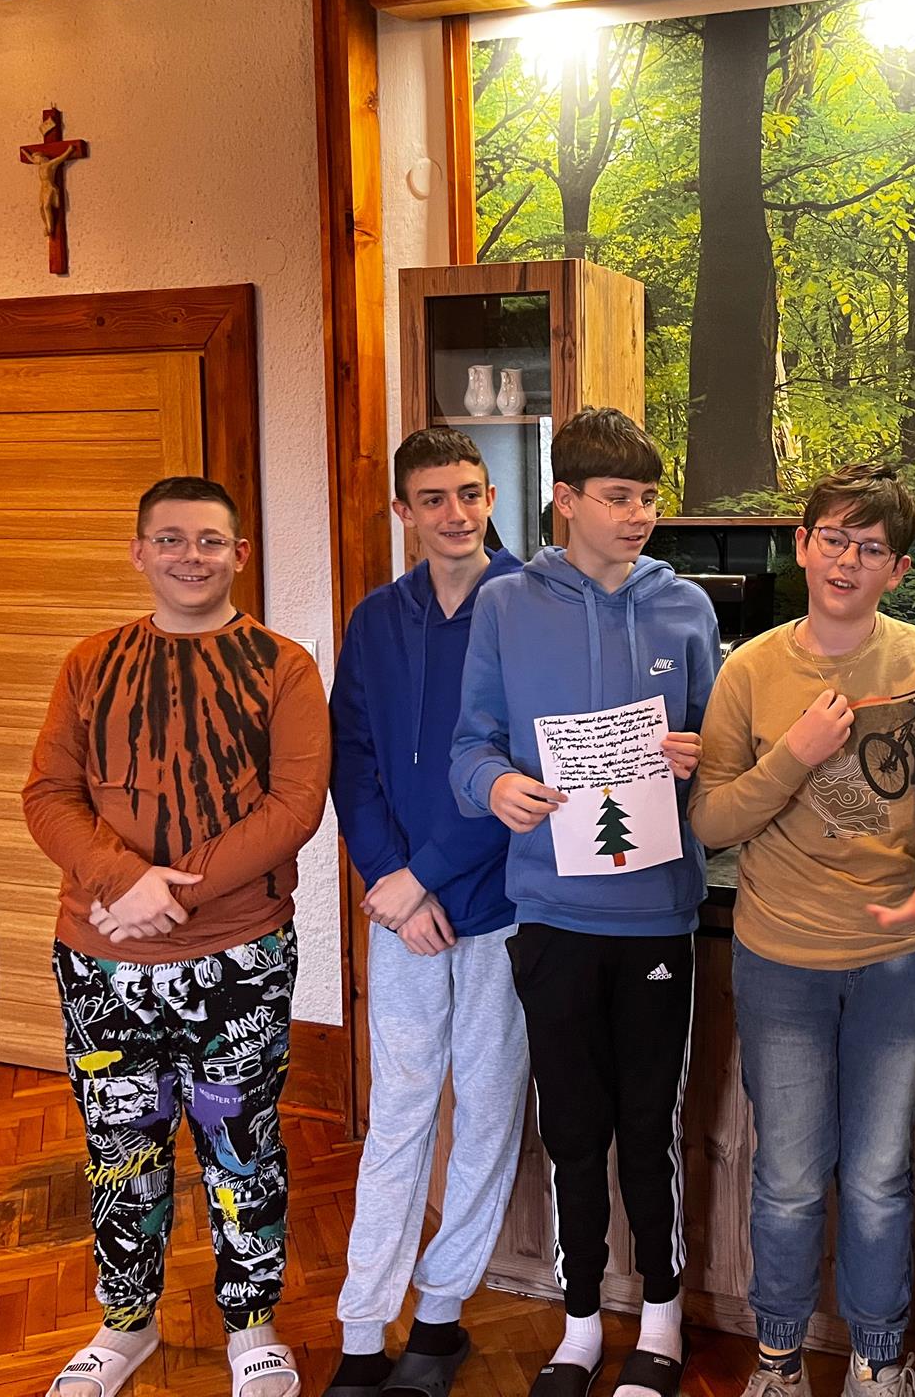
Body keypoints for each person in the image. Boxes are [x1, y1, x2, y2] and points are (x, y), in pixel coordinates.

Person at [24, 476, 330, 1397]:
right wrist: (122, 883)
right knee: (122, 1148)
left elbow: (295, 808)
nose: (189, 556)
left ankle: (252, 1329)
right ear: (139, 552)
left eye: (208, 541)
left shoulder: (283, 666)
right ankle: (126, 1324)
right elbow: (49, 795)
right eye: (169, 539)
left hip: (240, 956)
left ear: (240, 555)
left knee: (242, 1142)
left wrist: (168, 894)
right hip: (101, 957)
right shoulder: (90, 663)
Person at [689, 463, 915, 1397]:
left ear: (898, 569)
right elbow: (712, 820)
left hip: (901, 959)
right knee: (785, 1176)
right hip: (781, 958)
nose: (847, 561)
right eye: (833, 540)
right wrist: (794, 755)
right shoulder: (751, 669)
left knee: (878, 1175)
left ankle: (877, 1361)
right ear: (802, 546)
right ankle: (778, 1360)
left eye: (871, 548)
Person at [449, 407, 722, 1397]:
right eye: (617, 497)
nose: (638, 514)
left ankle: (662, 1319)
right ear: (565, 500)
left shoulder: (687, 608)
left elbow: (728, 756)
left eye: (649, 497)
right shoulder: (505, 606)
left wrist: (703, 756)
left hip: (658, 918)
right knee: (571, 1129)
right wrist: (497, 788)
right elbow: (469, 749)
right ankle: (577, 1323)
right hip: (552, 917)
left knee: (650, 1126)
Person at [323, 429, 531, 1397]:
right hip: (401, 911)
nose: (457, 513)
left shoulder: (530, 608)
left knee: (487, 1107)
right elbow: (353, 755)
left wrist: (428, 878)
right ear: (403, 512)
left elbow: (527, 772)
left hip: (501, 905)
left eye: (470, 493)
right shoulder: (376, 619)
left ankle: (440, 1319)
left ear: (491, 497)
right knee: (400, 1112)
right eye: (434, 498)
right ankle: (363, 1326)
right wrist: (388, 877)